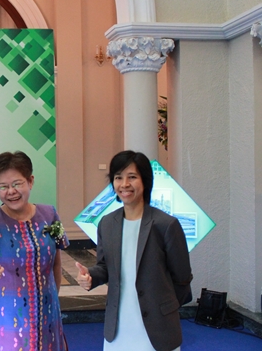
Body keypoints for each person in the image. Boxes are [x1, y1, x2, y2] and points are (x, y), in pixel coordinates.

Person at [75, 150, 193, 351]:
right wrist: (90, 276)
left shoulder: (165, 225)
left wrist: (165, 308)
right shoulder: (107, 223)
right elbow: (105, 266)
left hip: (157, 327)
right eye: (118, 177)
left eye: (132, 177)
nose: (124, 184)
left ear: (145, 181)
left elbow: (182, 278)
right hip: (119, 325)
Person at [0, 151, 69, 351]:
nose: (11, 191)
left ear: (30, 181)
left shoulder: (49, 214)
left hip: (48, 314)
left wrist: (53, 299)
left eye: (17, 184)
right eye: (3, 186)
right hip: (7, 318)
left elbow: (56, 263)